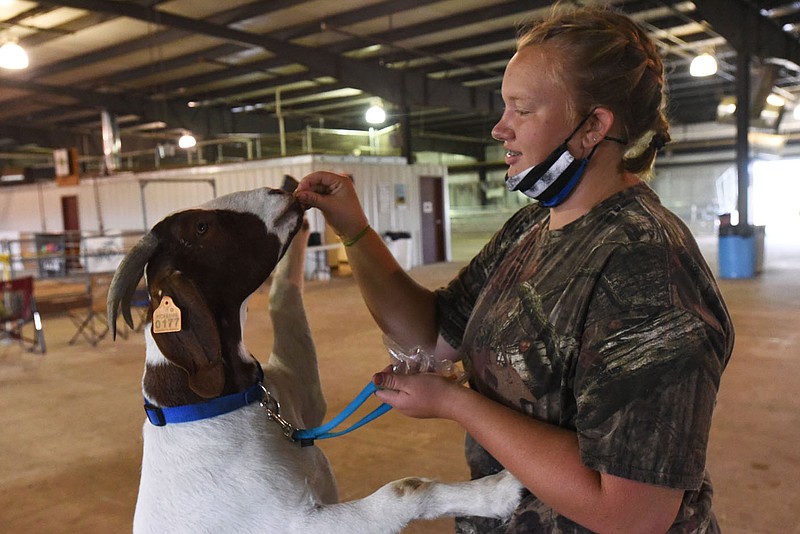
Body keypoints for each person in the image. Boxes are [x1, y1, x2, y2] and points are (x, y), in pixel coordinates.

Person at [295, 5, 733, 533]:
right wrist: (355, 230)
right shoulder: (531, 228)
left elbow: (633, 514)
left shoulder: (647, 267)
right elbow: (433, 336)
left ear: (593, 126)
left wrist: (457, 403)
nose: (500, 129)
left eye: (521, 110)